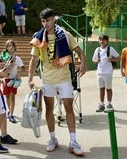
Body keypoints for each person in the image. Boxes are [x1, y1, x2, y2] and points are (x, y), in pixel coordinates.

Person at [28, 8, 86, 156]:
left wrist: (83, 63)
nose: (45, 24)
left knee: (68, 108)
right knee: (49, 108)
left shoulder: (65, 35)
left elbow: (79, 51)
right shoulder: (39, 37)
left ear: (54, 19)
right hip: (47, 80)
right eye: (43, 21)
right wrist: (29, 78)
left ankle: (73, 141)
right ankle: (53, 138)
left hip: (65, 78)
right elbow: (34, 59)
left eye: (47, 20)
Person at [0, 39, 25, 123]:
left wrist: (19, 74)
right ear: (6, 47)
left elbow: (23, 68)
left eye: (13, 46)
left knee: (12, 96)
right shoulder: (3, 57)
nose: (11, 47)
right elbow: (0, 67)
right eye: (9, 46)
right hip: (5, 79)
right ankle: (9, 110)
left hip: (13, 79)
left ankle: (11, 114)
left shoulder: (17, 58)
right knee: (6, 96)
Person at [92, 34, 120, 112]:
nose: (102, 41)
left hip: (108, 72)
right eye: (100, 39)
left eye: (104, 39)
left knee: (108, 88)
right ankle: (101, 104)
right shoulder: (97, 49)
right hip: (99, 72)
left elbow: (118, 57)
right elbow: (93, 59)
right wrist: (96, 60)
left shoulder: (110, 49)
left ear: (107, 41)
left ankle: (109, 104)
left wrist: (112, 59)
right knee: (101, 88)